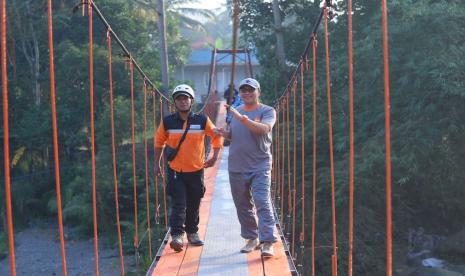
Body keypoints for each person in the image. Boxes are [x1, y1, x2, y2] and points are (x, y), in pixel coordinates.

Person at [154, 84, 223, 252]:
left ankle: (192, 232)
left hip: (196, 170)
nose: (183, 101)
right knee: (179, 203)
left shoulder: (202, 120)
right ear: (175, 102)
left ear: (191, 101)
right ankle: (177, 235)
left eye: (186, 98)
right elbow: (158, 143)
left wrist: (214, 157)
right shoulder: (167, 121)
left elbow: (216, 135)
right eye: (179, 98)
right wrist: (156, 164)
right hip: (176, 170)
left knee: (193, 203)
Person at [215, 78, 278, 257]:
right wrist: (224, 134)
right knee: (242, 204)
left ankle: (267, 242)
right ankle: (252, 238)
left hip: (260, 165)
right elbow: (235, 137)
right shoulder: (237, 112)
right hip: (236, 165)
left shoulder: (267, 111)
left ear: (258, 92)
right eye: (243, 90)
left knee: (262, 201)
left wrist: (241, 118)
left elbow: (263, 130)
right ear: (240, 93)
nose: (247, 93)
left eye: (251, 90)